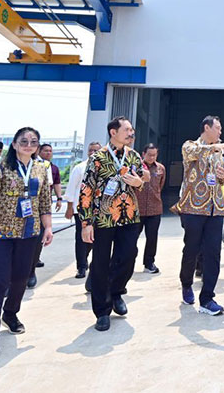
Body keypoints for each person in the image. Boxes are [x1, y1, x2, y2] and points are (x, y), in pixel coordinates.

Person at [0, 127, 53, 360]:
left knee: (20, 279)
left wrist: (48, 227)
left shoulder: (40, 168)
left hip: (30, 232)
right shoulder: (1, 168)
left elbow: (44, 200)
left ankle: (10, 313)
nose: (29, 144)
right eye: (24, 141)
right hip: (0, 232)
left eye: (33, 141)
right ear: (15, 145)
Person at [79, 117, 150, 332]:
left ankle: (117, 291)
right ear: (113, 132)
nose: (131, 133)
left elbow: (141, 181)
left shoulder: (134, 156)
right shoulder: (98, 158)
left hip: (129, 217)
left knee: (129, 256)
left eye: (132, 130)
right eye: (127, 130)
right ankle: (102, 310)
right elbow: (87, 189)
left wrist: (139, 182)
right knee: (100, 263)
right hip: (103, 219)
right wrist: (86, 223)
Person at [176, 117, 224, 316]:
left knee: (213, 254)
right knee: (191, 250)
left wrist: (223, 176)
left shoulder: (218, 152)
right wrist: (216, 147)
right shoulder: (190, 146)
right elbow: (193, 153)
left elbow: (221, 179)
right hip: (193, 208)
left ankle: (207, 298)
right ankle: (186, 283)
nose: (220, 132)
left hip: (215, 209)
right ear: (206, 128)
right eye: (218, 128)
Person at [64, 141, 102, 281]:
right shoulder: (79, 168)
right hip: (80, 209)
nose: (93, 152)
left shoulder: (103, 168)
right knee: (81, 238)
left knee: (94, 239)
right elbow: (71, 188)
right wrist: (69, 207)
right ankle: (81, 266)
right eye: (91, 150)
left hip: (98, 210)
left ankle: (88, 262)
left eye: (96, 150)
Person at [27, 143, 58, 287]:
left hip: (37, 210)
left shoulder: (44, 166)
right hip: (12, 214)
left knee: (36, 240)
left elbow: (47, 191)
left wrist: (48, 225)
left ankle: (31, 270)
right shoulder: (6, 166)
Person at [136, 143, 166, 274]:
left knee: (152, 238)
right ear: (143, 154)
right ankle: (127, 262)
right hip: (137, 209)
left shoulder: (161, 169)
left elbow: (161, 185)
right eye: (149, 155)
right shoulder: (136, 167)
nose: (152, 157)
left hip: (155, 209)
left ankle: (149, 263)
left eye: (154, 155)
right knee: (131, 238)